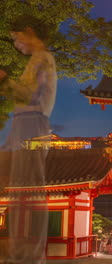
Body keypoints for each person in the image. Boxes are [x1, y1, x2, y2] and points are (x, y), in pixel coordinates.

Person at [0, 14, 57, 264]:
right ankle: (24, 251)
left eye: (16, 37)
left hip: (31, 123)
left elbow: (27, 94)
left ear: (29, 30)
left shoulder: (42, 59)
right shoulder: (39, 59)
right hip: (26, 124)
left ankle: (30, 254)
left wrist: (4, 80)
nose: (16, 43)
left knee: (30, 185)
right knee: (24, 186)